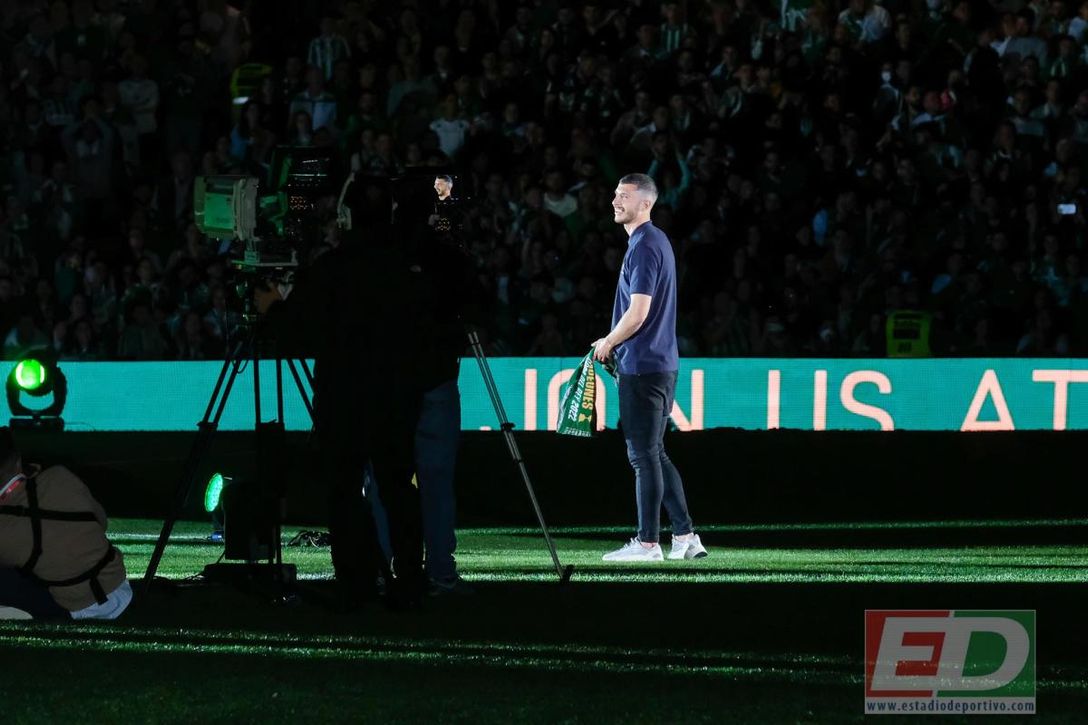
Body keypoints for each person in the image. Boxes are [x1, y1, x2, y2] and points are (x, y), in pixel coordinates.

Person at [256, 180, 428, 609]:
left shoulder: (331, 268)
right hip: (395, 400)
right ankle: (409, 580)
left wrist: (272, 308)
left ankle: (357, 582)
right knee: (398, 490)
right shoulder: (405, 268)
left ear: (347, 219)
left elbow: (297, 332)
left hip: (345, 400)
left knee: (345, 491)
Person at [593, 173, 707, 562]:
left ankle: (646, 543)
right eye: (615, 193)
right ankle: (686, 536)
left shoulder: (643, 246)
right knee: (655, 453)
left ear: (646, 203)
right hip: (660, 363)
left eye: (624, 196)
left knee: (642, 455)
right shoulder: (655, 241)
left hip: (643, 365)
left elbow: (638, 313)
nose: (614, 201)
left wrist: (609, 342)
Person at [0, 427, 131, 620]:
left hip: (75, 608)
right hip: (120, 588)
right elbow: (101, 522)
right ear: (18, 460)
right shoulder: (61, 476)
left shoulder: (4, 529)